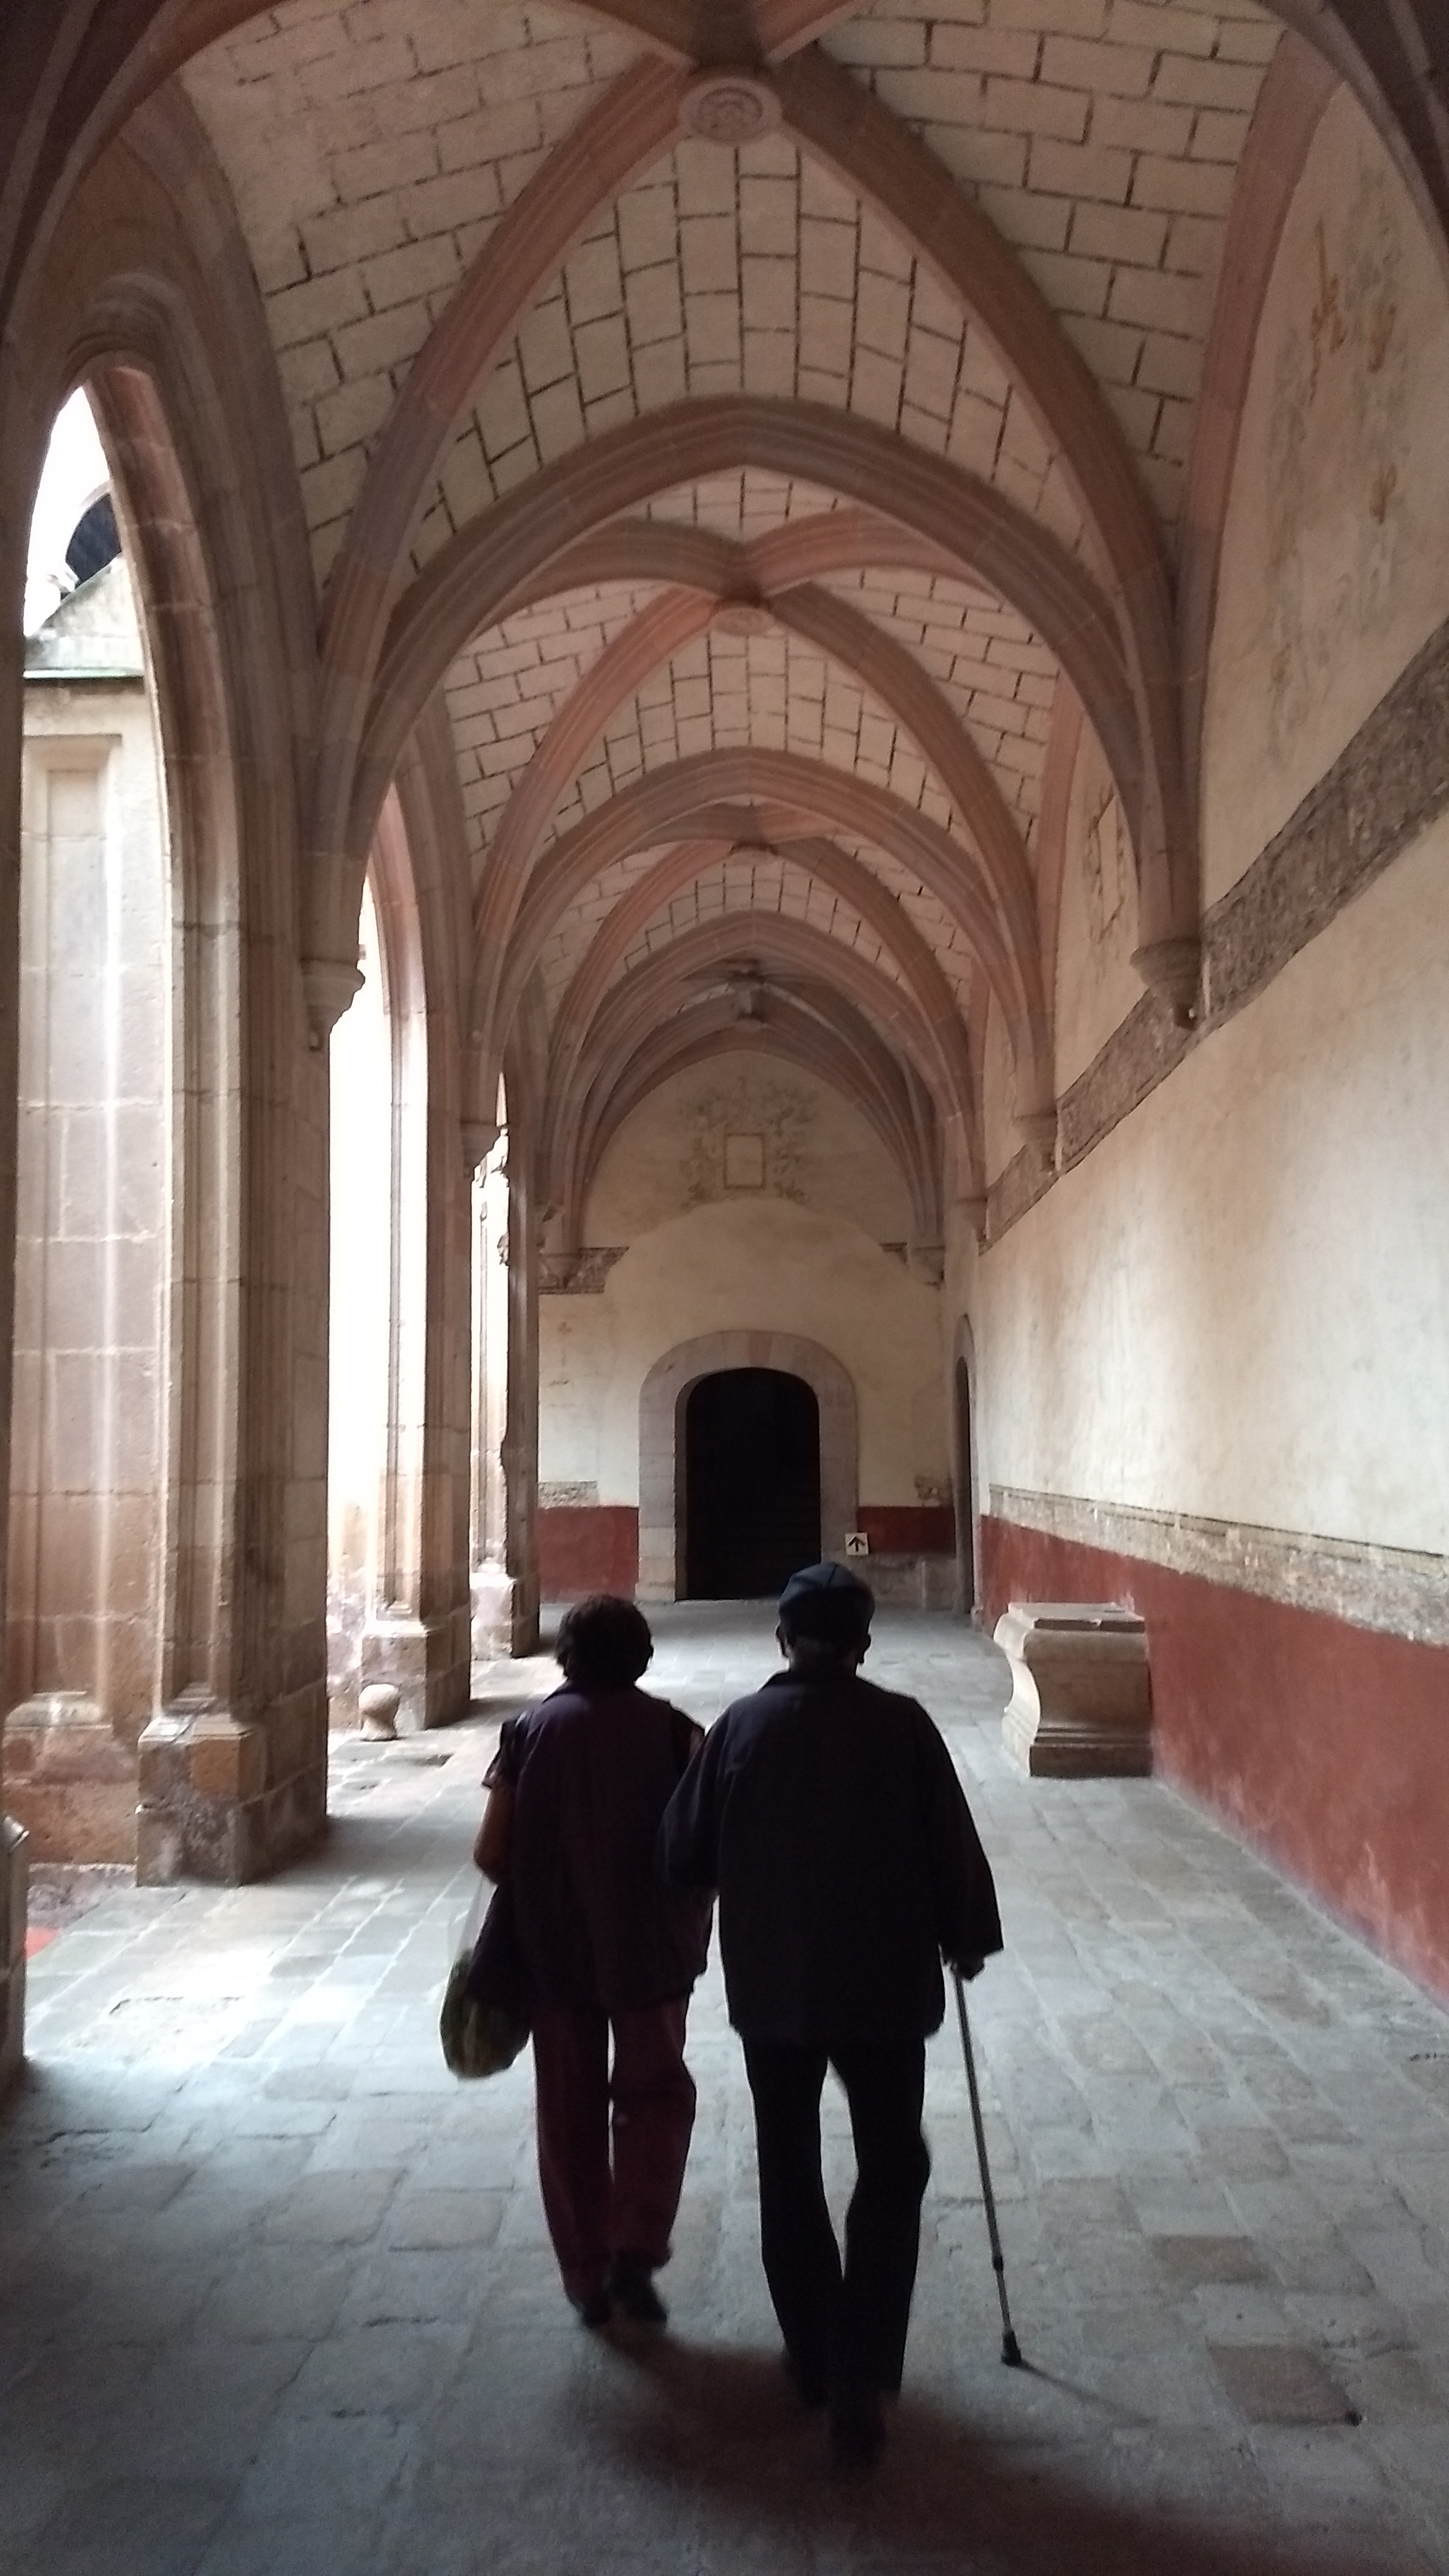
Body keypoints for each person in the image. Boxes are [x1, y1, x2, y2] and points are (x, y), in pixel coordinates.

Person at [659, 1560, 1002, 2463]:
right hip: (886, 1991)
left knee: (788, 2160)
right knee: (893, 2164)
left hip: (773, 1989)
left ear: (781, 1638)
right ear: (864, 1644)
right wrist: (965, 1932)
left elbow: (682, 1854)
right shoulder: (903, 1726)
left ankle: (813, 2356)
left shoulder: (740, 1727)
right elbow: (951, 1844)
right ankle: (863, 2366)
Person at [475, 1593, 709, 2327]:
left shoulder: (528, 1733)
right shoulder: (676, 1734)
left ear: (565, 1656)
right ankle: (636, 2251)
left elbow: (490, 1854)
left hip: (555, 1953)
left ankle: (585, 2271)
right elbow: (705, 1849)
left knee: (568, 2107)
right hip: (652, 1953)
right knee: (656, 2098)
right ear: (642, 1656)